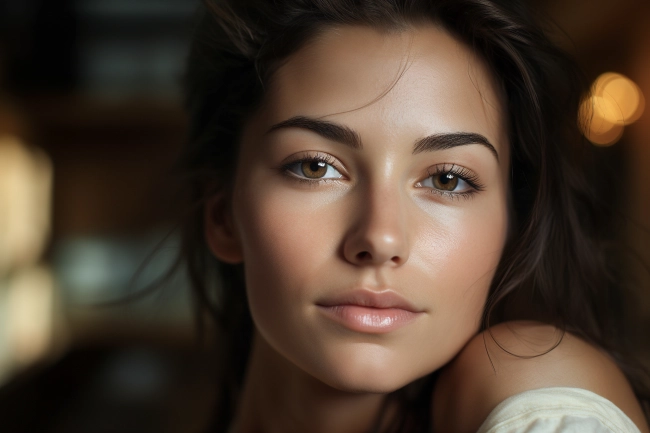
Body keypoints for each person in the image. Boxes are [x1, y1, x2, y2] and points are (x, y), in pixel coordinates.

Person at [176, 0, 650, 431]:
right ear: (222, 215)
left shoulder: (531, 378)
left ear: (510, 224)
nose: (381, 238)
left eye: (447, 179)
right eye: (316, 167)